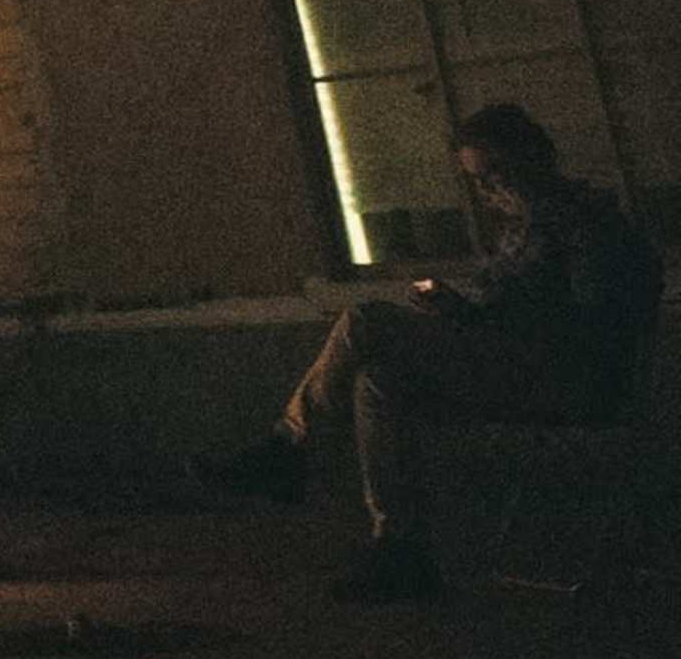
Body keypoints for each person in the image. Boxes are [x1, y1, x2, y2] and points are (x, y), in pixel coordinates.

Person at [206, 103, 662, 602]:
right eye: (478, 181)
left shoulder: (583, 223)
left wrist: (488, 320)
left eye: (496, 174)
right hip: (510, 362)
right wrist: (461, 312)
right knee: (380, 380)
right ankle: (400, 547)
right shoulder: (520, 229)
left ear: (533, 159)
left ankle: (288, 446)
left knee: (366, 321)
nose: (489, 192)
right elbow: (504, 309)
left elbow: (588, 323)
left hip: (560, 376)